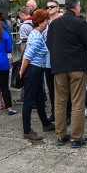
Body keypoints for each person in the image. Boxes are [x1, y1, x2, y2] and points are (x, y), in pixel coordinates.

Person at [46, 0, 87, 148]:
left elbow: (49, 44)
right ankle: (76, 138)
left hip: (59, 67)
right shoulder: (80, 23)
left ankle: (61, 136)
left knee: (59, 103)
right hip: (77, 67)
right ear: (76, 7)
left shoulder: (54, 24)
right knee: (77, 102)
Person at [19, 9, 54, 140]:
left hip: (36, 70)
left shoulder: (35, 34)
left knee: (40, 99)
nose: (47, 22)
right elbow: (27, 56)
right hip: (34, 70)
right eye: (46, 20)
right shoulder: (37, 37)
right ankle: (27, 130)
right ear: (41, 21)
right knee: (29, 101)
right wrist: (21, 72)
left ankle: (45, 123)